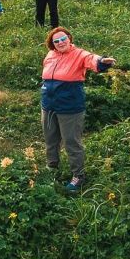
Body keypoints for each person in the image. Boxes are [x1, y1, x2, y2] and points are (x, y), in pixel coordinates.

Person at [41, 26, 115, 192]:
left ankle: (78, 176)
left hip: (70, 106)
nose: (60, 42)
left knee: (71, 141)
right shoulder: (50, 55)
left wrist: (101, 62)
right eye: (56, 41)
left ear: (69, 39)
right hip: (48, 104)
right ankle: (52, 167)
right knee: (50, 139)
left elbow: (91, 59)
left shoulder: (79, 54)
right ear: (52, 44)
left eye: (63, 39)